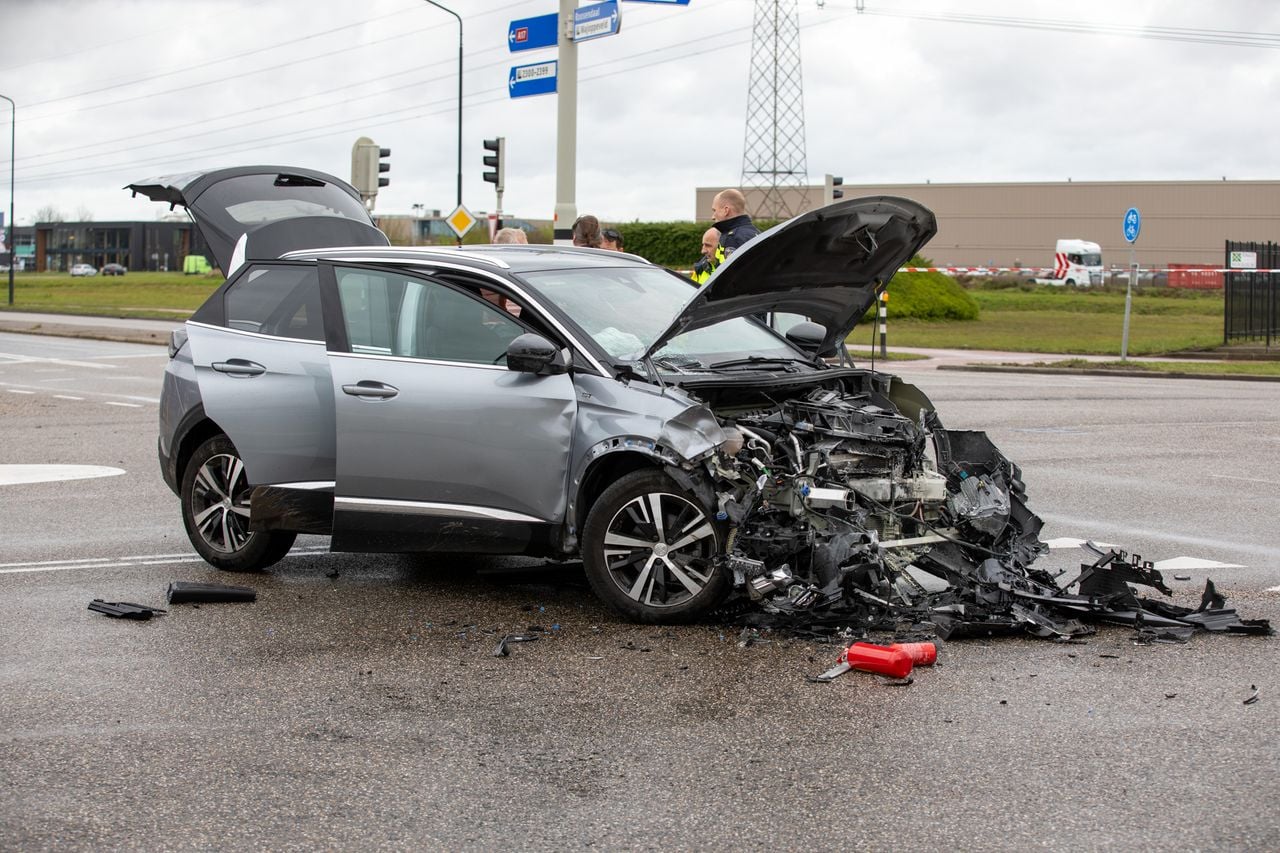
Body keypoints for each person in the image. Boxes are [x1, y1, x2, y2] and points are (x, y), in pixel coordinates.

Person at [710, 188, 760, 261]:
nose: (713, 217)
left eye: (714, 210)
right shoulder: (756, 232)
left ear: (726, 210)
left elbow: (732, 271)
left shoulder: (732, 238)